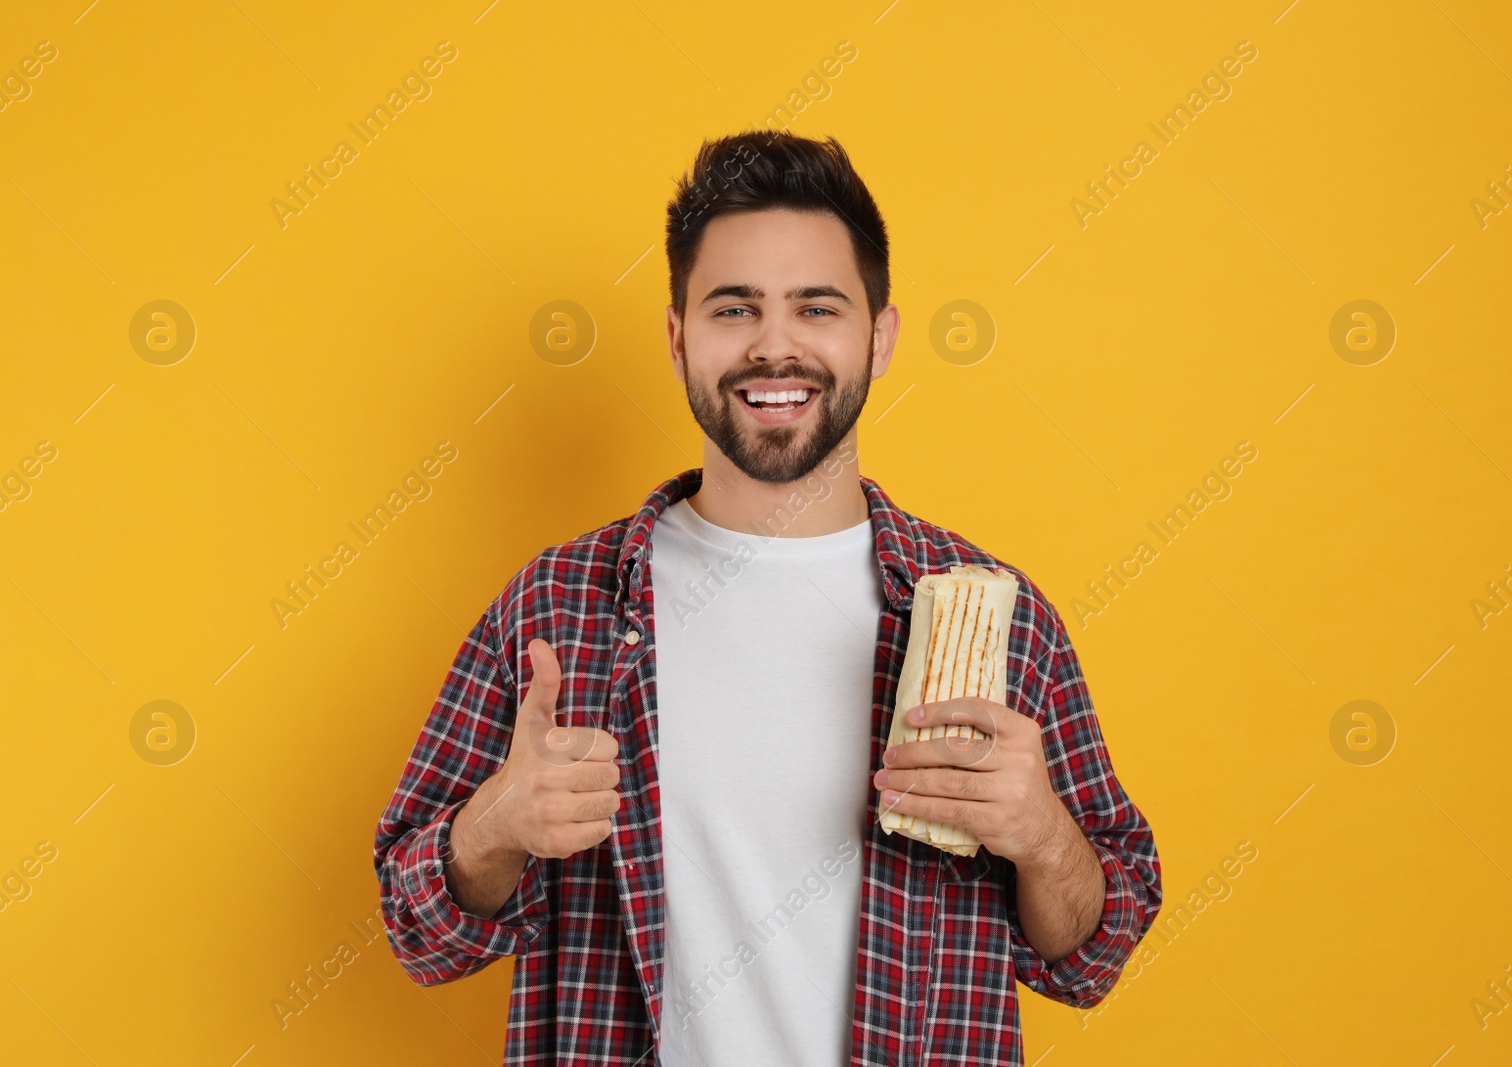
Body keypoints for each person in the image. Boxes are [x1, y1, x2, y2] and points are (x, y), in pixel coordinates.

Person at [374, 130, 1162, 1067]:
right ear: (679, 339)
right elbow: (416, 930)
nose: (775, 345)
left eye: (816, 307)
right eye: (733, 308)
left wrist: (1040, 833)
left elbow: (1092, 953)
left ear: (880, 336)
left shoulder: (998, 619)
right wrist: (499, 824)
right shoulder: (558, 606)